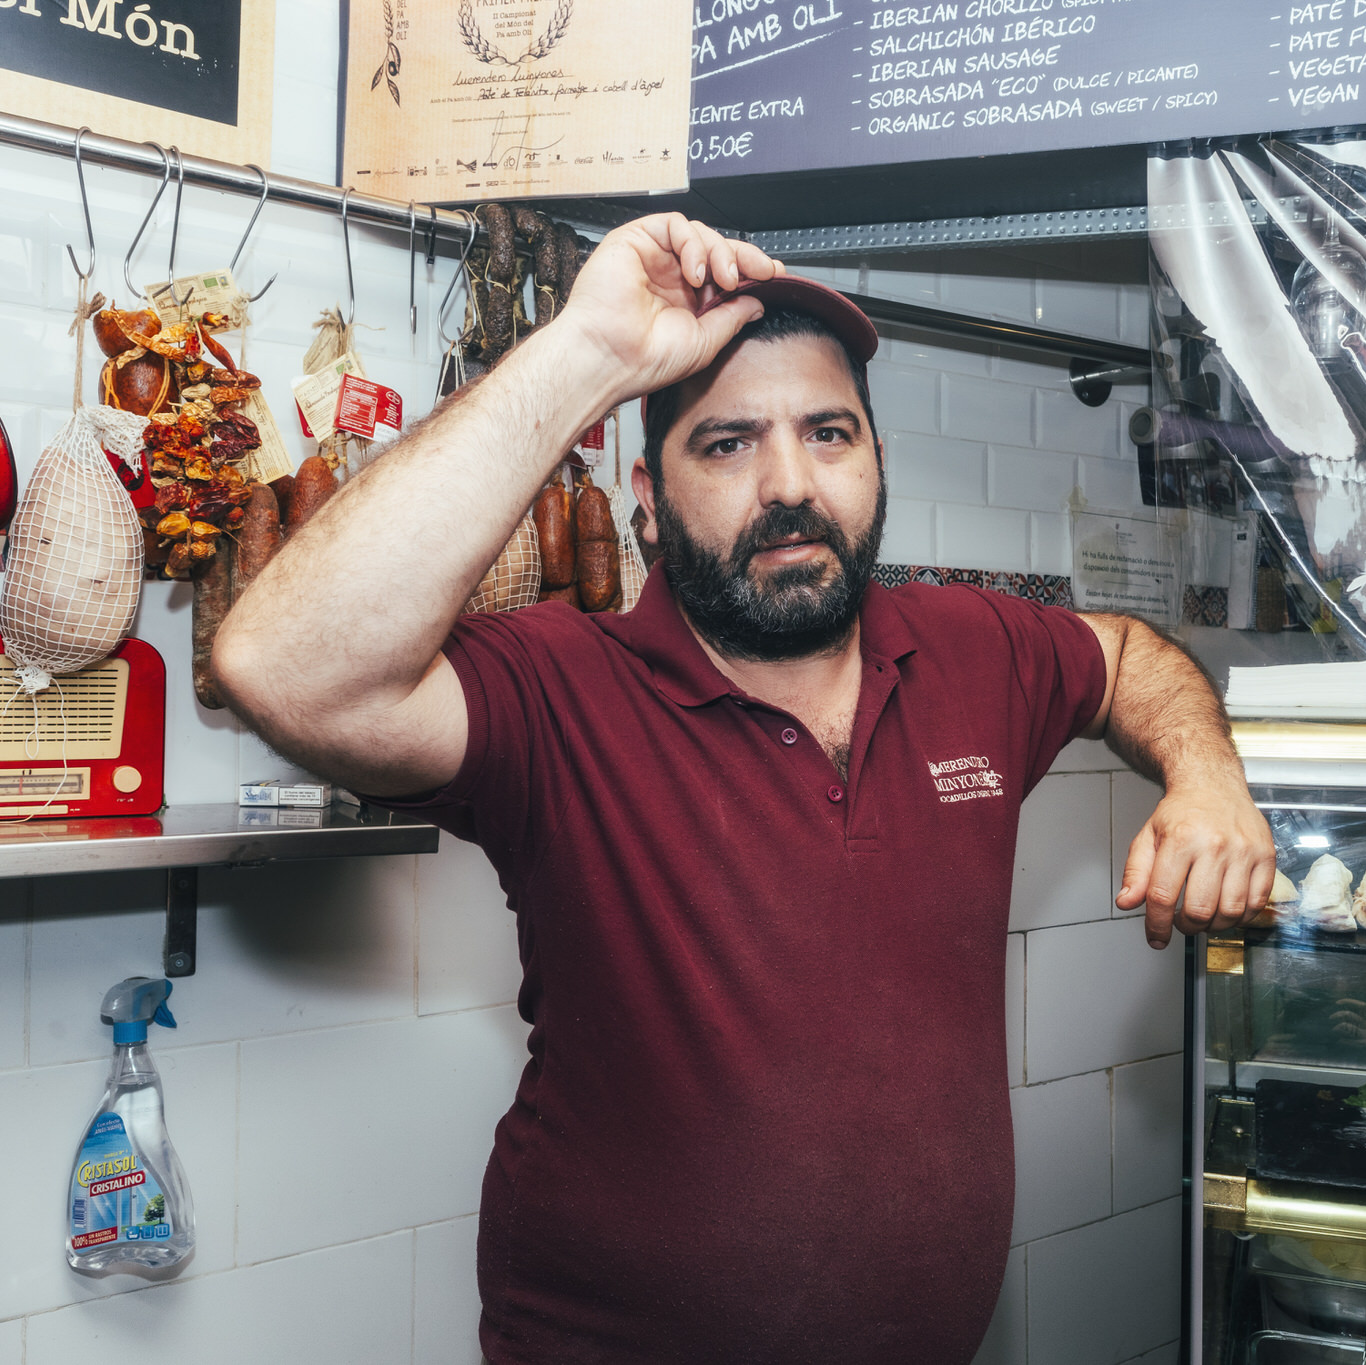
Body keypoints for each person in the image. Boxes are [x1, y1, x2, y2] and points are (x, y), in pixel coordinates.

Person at [214, 214, 1274, 1365]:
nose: (788, 484)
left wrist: (1205, 773)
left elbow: (1126, 655)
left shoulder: (972, 650)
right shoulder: (564, 687)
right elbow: (283, 669)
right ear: (647, 492)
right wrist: (589, 355)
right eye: (724, 444)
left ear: (874, 457)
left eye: (829, 433)